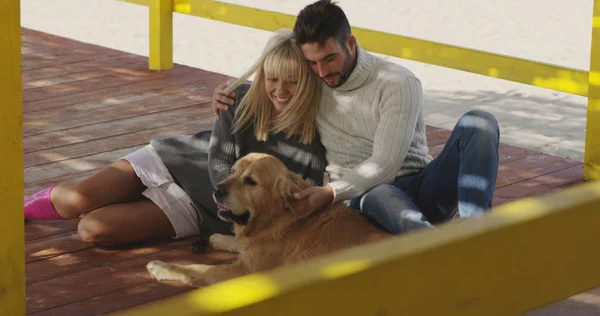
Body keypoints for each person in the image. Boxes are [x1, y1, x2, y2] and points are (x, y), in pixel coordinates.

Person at [212, 0, 500, 234]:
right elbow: (278, 85)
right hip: (367, 200)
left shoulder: (397, 82)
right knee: (380, 194)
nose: (322, 72)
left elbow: (386, 166)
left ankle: (477, 232)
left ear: (350, 42)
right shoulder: (311, 82)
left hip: (421, 186)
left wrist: (329, 191)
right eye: (311, 63)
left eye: (329, 58)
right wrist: (231, 92)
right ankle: (439, 249)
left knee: (480, 122)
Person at [24, 29, 327, 246]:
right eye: (272, 79)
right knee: (78, 199)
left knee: (92, 228)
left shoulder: (320, 135)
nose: (280, 90)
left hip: (203, 210)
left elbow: (301, 201)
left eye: (292, 81)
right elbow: (220, 161)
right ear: (262, 75)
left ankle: (124, 202)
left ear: (309, 80)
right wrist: (229, 196)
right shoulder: (238, 98)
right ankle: (15, 209)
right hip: (176, 161)